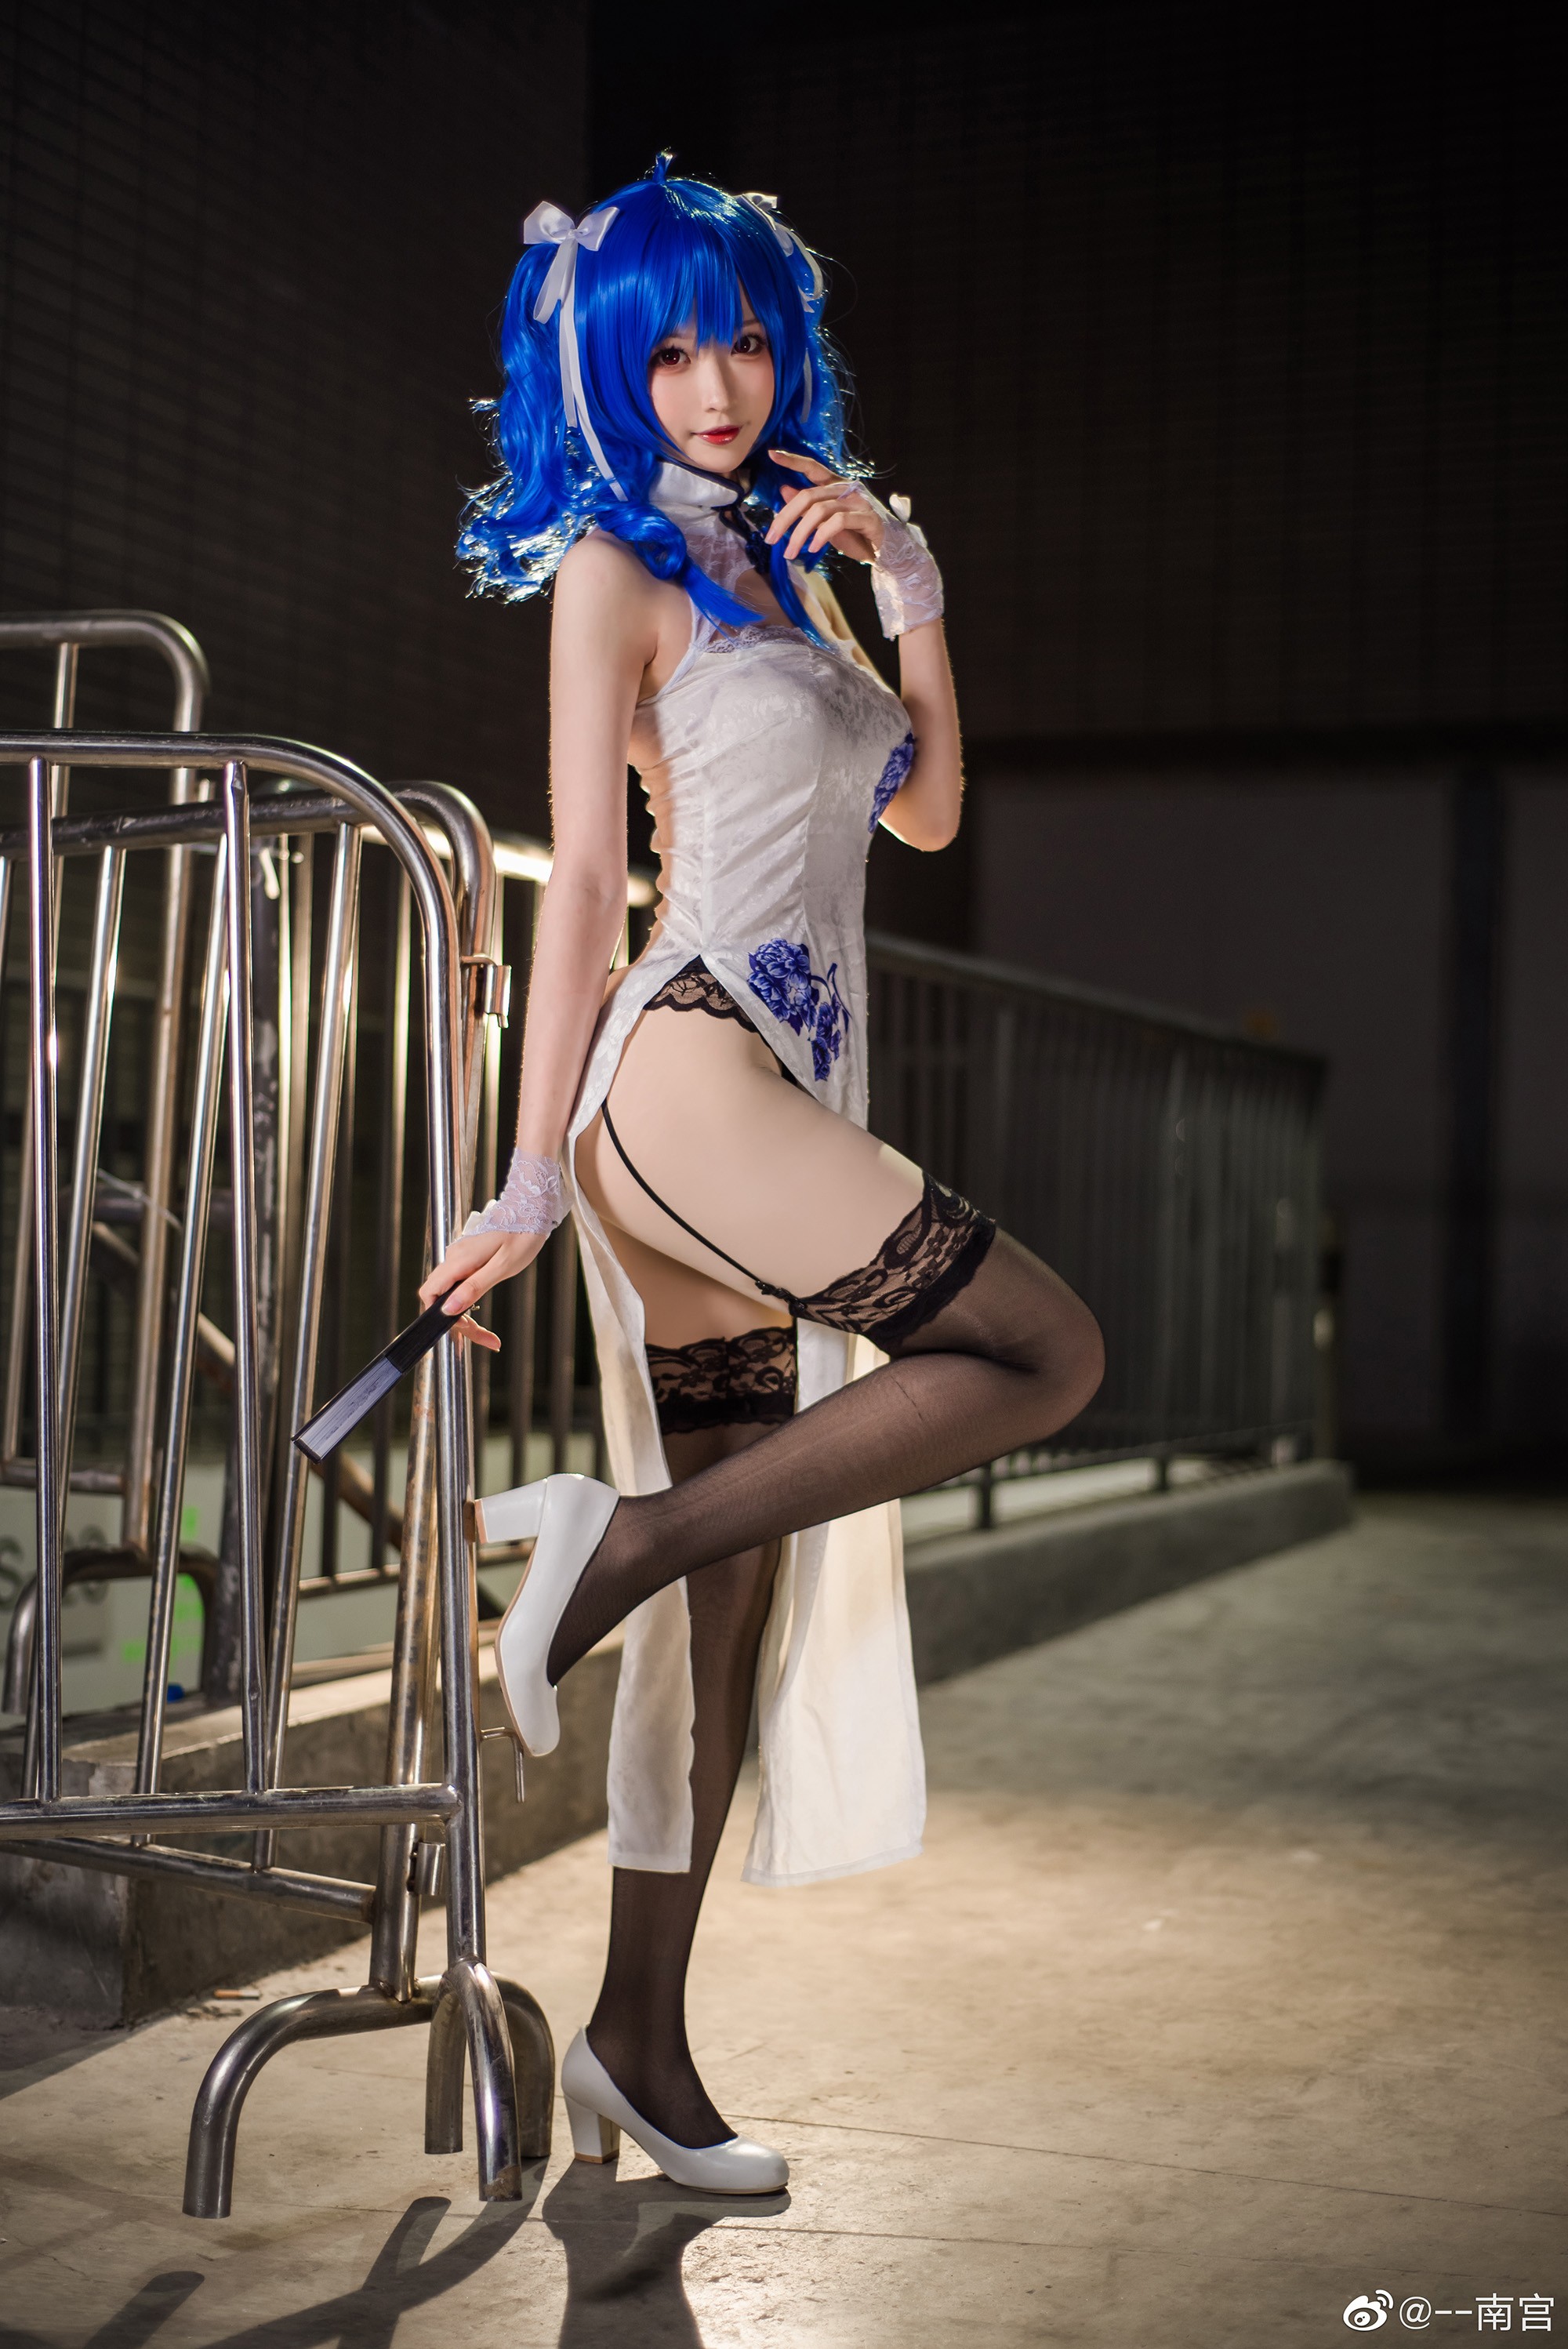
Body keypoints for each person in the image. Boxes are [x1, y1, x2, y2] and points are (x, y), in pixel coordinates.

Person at [421, 160, 1104, 2195]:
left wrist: (913, 594)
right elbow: (579, 892)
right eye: (670, 354)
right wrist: (528, 1173)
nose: (714, 386)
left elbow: (929, 810)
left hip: (767, 1088)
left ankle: (636, 2036)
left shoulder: (794, 555)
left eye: (739, 342)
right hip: (688, 1069)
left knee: (729, 1598)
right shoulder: (610, 571)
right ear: (609, 371)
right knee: (1044, 1351)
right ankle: (612, 1538)